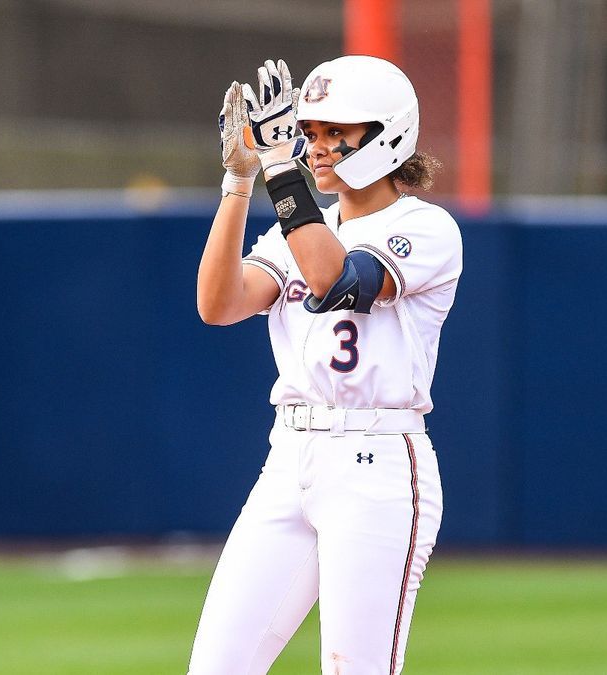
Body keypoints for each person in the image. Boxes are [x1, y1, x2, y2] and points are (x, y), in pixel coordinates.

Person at [190, 55, 462, 675]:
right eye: (311, 132)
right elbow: (219, 304)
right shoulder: (302, 225)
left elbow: (336, 279)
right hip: (289, 458)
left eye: (337, 132)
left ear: (386, 132)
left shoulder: (427, 227)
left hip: (377, 463)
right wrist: (238, 182)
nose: (315, 146)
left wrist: (280, 171)